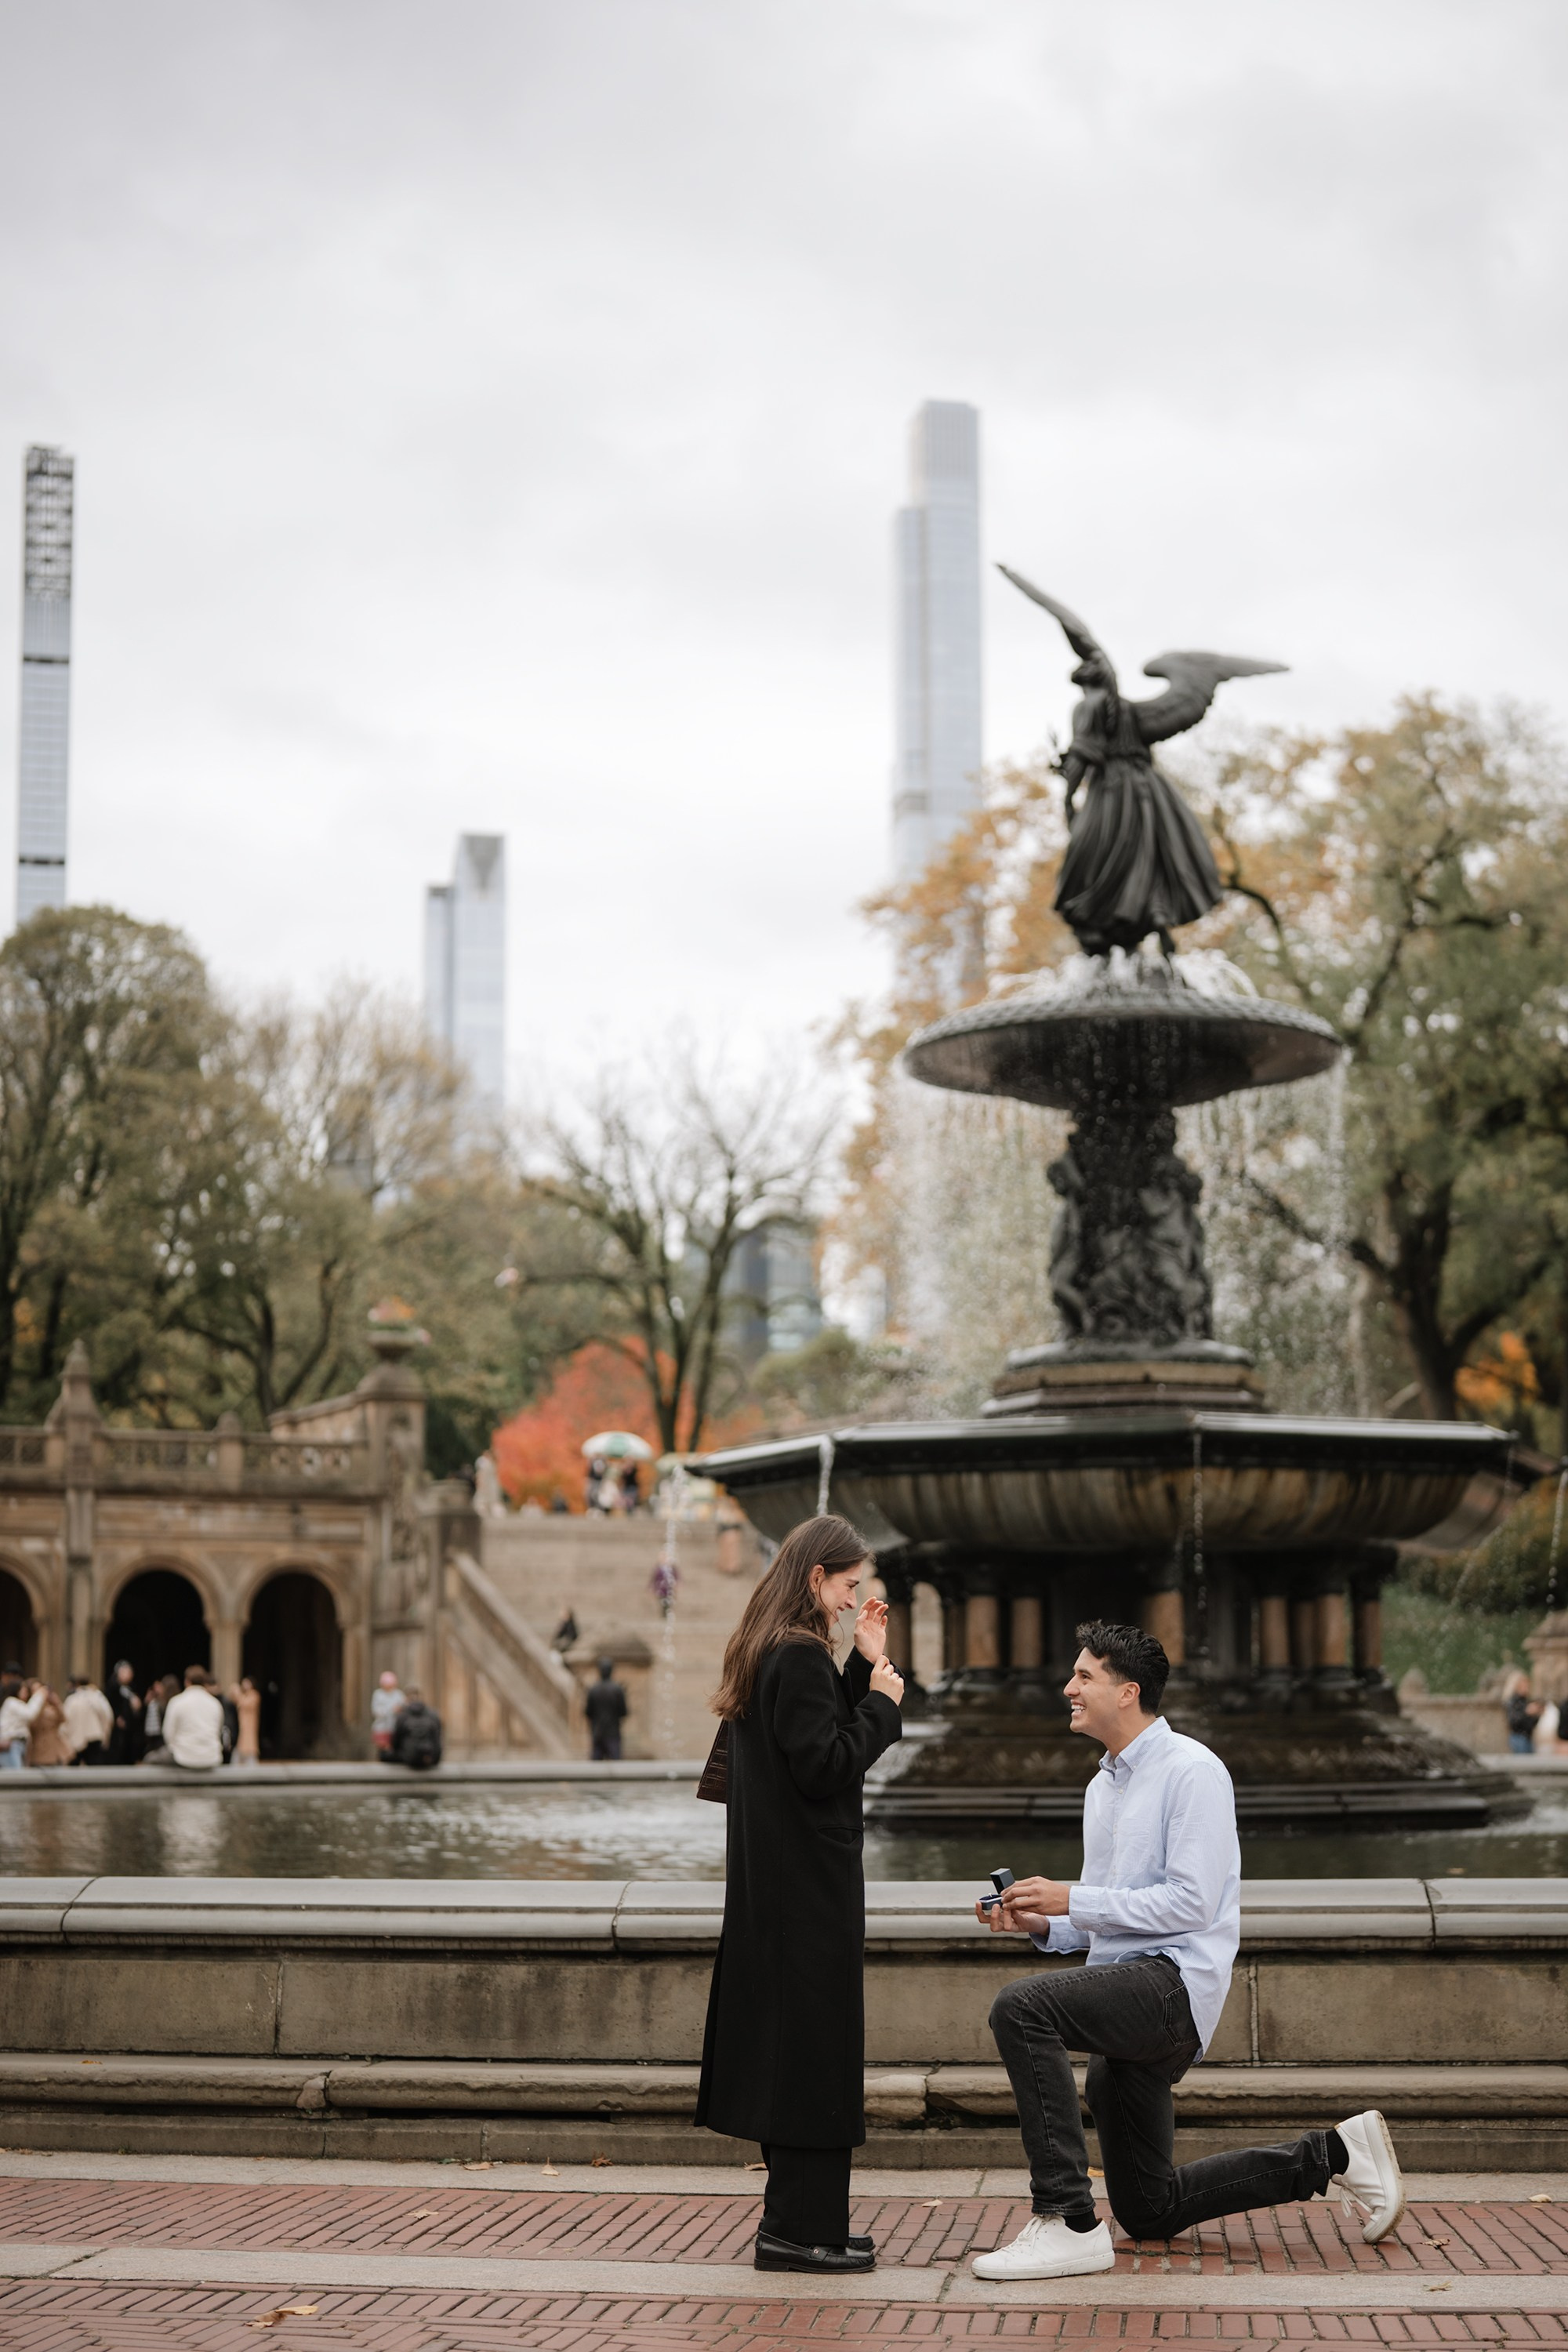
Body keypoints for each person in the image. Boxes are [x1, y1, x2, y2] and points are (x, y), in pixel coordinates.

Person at [970, 1621, 1406, 2283]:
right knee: (1150, 2209)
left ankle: (1067, 2220)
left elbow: (1191, 1905)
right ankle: (1334, 2155)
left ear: (1129, 1691)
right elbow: (1113, 1917)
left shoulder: (1194, 1771)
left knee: (1020, 2009)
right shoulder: (1103, 1787)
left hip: (1172, 1987)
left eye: (1084, 1675)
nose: (1068, 1687)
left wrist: (1074, 1899)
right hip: (1128, 1989)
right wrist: (1040, 1924)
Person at [695, 1512, 905, 2276]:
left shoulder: (774, 1651)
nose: (853, 1601)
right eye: (848, 1587)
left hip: (779, 1894)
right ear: (816, 1578)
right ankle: (793, 2232)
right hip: (806, 1899)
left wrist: (858, 1664)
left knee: (798, 2062)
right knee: (811, 2062)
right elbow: (823, 1765)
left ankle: (808, 2223)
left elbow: (803, 1743)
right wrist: (882, 1702)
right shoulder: (795, 1655)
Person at [159, 1664, 227, 1771]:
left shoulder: (177, 1702)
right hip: (211, 1757)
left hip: (183, 1757)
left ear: (187, 1681)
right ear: (205, 1683)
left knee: (151, 1758)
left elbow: (168, 1734)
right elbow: (218, 1731)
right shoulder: (215, 1703)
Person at [63, 1675, 114, 1766]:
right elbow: (108, 1715)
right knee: (94, 1769)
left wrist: (66, 1737)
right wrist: (105, 1733)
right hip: (94, 1735)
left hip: (76, 1738)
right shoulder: (98, 1696)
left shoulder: (71, 1699)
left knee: (73, 1770)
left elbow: (65, 1719)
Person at [585, 1656, 628, 1760]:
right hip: (613, 1732)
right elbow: (623, 1712)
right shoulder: (617, 1689)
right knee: (616, 1765)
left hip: (597, 1731)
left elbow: (588, 1712)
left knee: (595, 1768)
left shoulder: (593, 1689)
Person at [390, 1685, 443, 1769]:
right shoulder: (433, 1714)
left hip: (409, 1757)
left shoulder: (403, 1716)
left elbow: (395, 1742)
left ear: (406, 1700)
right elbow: (438, 1738)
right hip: (431, 1757)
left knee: (384, 1754)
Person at [0, 1675, 46, 1769]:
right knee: (15, 1777)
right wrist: (39, 1695)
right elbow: (30, 1714)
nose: (26, 1693)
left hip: (18, 1744)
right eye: (23, 1690)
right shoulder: (11, 1702)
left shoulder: (16, 1704)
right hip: (11, 1744)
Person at [107, 1661, 144, 1766]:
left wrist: (138, 1707)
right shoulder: (112, 1688)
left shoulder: (132, 1689)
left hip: (130, 1728)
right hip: (116, 1729)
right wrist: (116, 1717)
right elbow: (108, 1706)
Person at [27, 1685, 73, 1766]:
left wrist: (57, 1703)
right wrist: (40, 1702)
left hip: (54, 1746)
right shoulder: (32, 1707)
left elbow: (63, 1719)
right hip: (39, 1747)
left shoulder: (53, 1708)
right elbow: (33, 1723)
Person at [1504, 1670, 1541, 1755]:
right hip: (1519, 1738)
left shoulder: (1525, 1701)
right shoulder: (1513, 1701)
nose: (1527, 1687)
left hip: (1527, 1737)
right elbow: (1513, 1722)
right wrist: (1526, 1712)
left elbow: (1531, 1724)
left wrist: (1537, 1714)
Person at [372, 1670, 406, 1759]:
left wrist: (399, 1710)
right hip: (382, 1726)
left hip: (394, 1726)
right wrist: (391, 1710)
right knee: (382, 1747)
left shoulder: (399, 1694)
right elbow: (376, 1711)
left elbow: (403, 1707)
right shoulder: (378, 1694)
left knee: (393, 1747)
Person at [233, 1676, 262, 1766]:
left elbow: (245, 1704)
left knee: (248, 1745)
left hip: (250, 1725)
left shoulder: (254, 1695)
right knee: (241, 1744)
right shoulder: (244, 1695)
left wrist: (238, 1694)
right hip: (242, 1724)